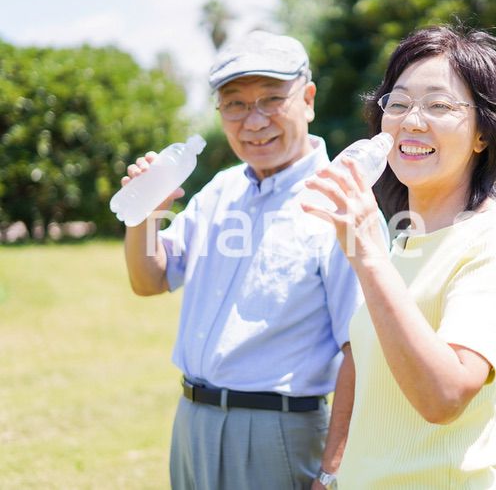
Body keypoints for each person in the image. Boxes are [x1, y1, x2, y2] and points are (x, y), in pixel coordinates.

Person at [120, 30, 358, 490]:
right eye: (235, 104)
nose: (254, 121)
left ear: (307, 99)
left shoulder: (342, 202)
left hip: (279, 434)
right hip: (192, 422)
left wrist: (334, 470)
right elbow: (149, 280)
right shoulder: (220, 191)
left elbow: (361, 351)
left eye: (272, 99)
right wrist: (143, 218)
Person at [301, 25, 496, 488]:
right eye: (399, 102)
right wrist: (332, 476)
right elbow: (369, 376)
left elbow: (445, 395)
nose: (411, 121)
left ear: (483, 134)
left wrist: (368, 256)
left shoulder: (494, 239)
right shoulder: (402, 239)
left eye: (439, 105)